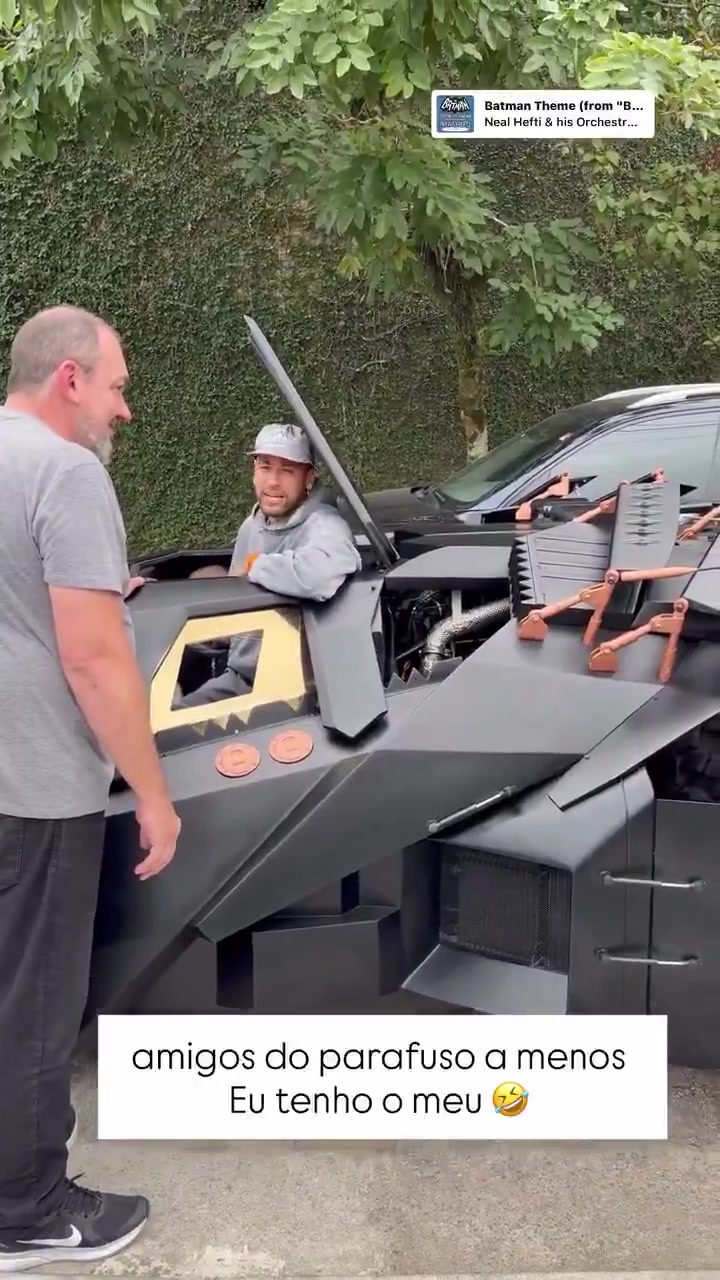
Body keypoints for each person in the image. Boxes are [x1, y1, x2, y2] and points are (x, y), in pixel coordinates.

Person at [0, 305, 181, 1271]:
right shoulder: (65, 472)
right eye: (117, 387)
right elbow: (95, 660)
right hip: (36, 789)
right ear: (70, 378)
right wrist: (152, 794)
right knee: (34, 1002)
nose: (124, 410)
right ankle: (27, 1214)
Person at [177, 422, 362, 706]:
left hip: (300, 693)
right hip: (242, 678)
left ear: (308, 477)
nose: (273, 482)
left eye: (287, 471)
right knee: (170, 718)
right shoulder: (252, 527)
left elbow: (319, 576)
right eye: (265, 467)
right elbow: (237, 606)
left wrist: (257, 565)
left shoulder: (325, 526)